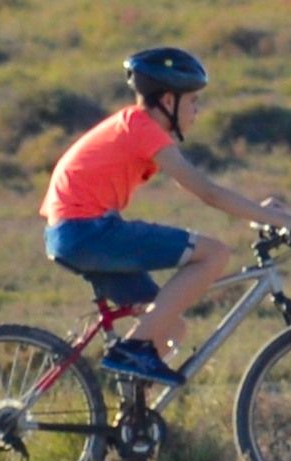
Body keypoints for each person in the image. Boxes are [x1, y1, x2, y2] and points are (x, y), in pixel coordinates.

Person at [41, 41, 277, 377]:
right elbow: (207, 192)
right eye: (193, 101)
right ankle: (131, 350)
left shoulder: (132, 125)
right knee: (214, 254)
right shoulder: (141, 128)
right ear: (168, 100)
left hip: (74, 233)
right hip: (87, 231)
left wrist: (262, 211)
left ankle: (132, 421)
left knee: (169, 329)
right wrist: (282, 218)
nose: (197, 110)